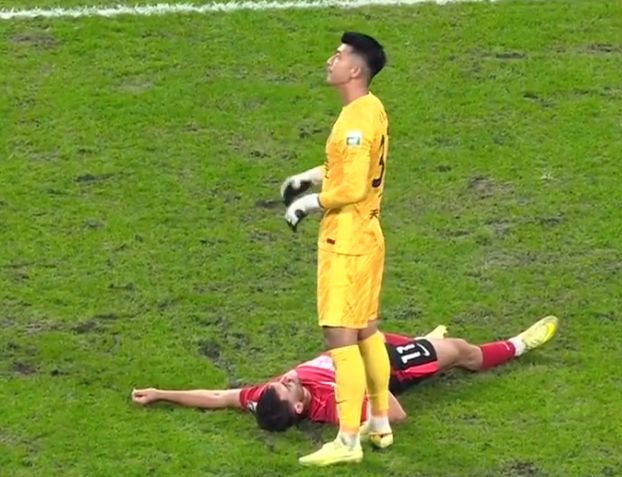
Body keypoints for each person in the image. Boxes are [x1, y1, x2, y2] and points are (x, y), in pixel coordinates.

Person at [132, 316, 559, 443]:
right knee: (462, 353)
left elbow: (217, 396)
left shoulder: (265, 398)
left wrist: (161, 393)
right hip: (389, 365)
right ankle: (520, 344)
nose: (287, 377)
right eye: (287, 386)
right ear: (300, 406)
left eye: (279, 382)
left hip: (360, 344)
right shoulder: (334, 407)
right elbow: (396, 415)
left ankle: (425, 340)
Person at [279, 31, 391, 466]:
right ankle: (378, 422)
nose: (331, 60)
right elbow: (347, 167)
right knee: (366, 332)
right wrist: (308, 177)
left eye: (339, 56)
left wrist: (308, 203)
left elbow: (353, 186)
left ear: (355, 70)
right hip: (369, 234)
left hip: (346, 242)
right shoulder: (371, 107)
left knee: (339, 338)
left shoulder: (355, 122)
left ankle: (347, 441)